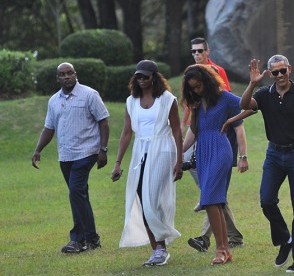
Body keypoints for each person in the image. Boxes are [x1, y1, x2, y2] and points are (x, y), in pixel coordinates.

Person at [239, 56, 294, 273]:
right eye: (275, 72)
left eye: (283, 70)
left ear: (290, 69)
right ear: (270, 75)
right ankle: (286, 239)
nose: (280, 75)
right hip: (274, 154)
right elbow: (244, 105)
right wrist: (253, 83)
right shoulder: (264, 94)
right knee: (266, 200)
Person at [31, 62, 109, 253]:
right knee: (80, 195)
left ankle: (77, 239)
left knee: (75, 191)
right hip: (65, 155)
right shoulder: (53, 101)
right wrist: (38, 150)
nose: (66, 77)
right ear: (57, 78)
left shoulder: (90, 95)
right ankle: (92, 239)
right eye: (62, 74)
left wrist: (103, 149)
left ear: (75, 74)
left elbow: (103, 121)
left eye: (69, 73)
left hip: (87, 152)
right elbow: (49, 128)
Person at [111, 60, 182, 266]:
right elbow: (126, 133)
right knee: (141, 198)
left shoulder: (167, 99)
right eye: (138, 77)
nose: (141, 80)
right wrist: (117, 163)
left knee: (151, 199)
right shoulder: (131, 101)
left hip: (162, 151)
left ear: (154, 77)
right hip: (140, 152)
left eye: (145, 76)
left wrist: (179, 161)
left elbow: (177, 130)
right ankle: (158, 248)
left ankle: (161, 246)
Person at [184, 37, 249, 252]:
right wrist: (178, 152)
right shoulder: (196, 100)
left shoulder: (223, 96)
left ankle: (217, 245)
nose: (196, 90)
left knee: (211, 196)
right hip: (202, 151)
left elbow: (249, 107)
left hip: (221, 148)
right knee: (214, 199)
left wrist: (242, 154)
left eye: (198, 86)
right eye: (192, 88)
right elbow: (193, 130)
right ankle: (227, 243)